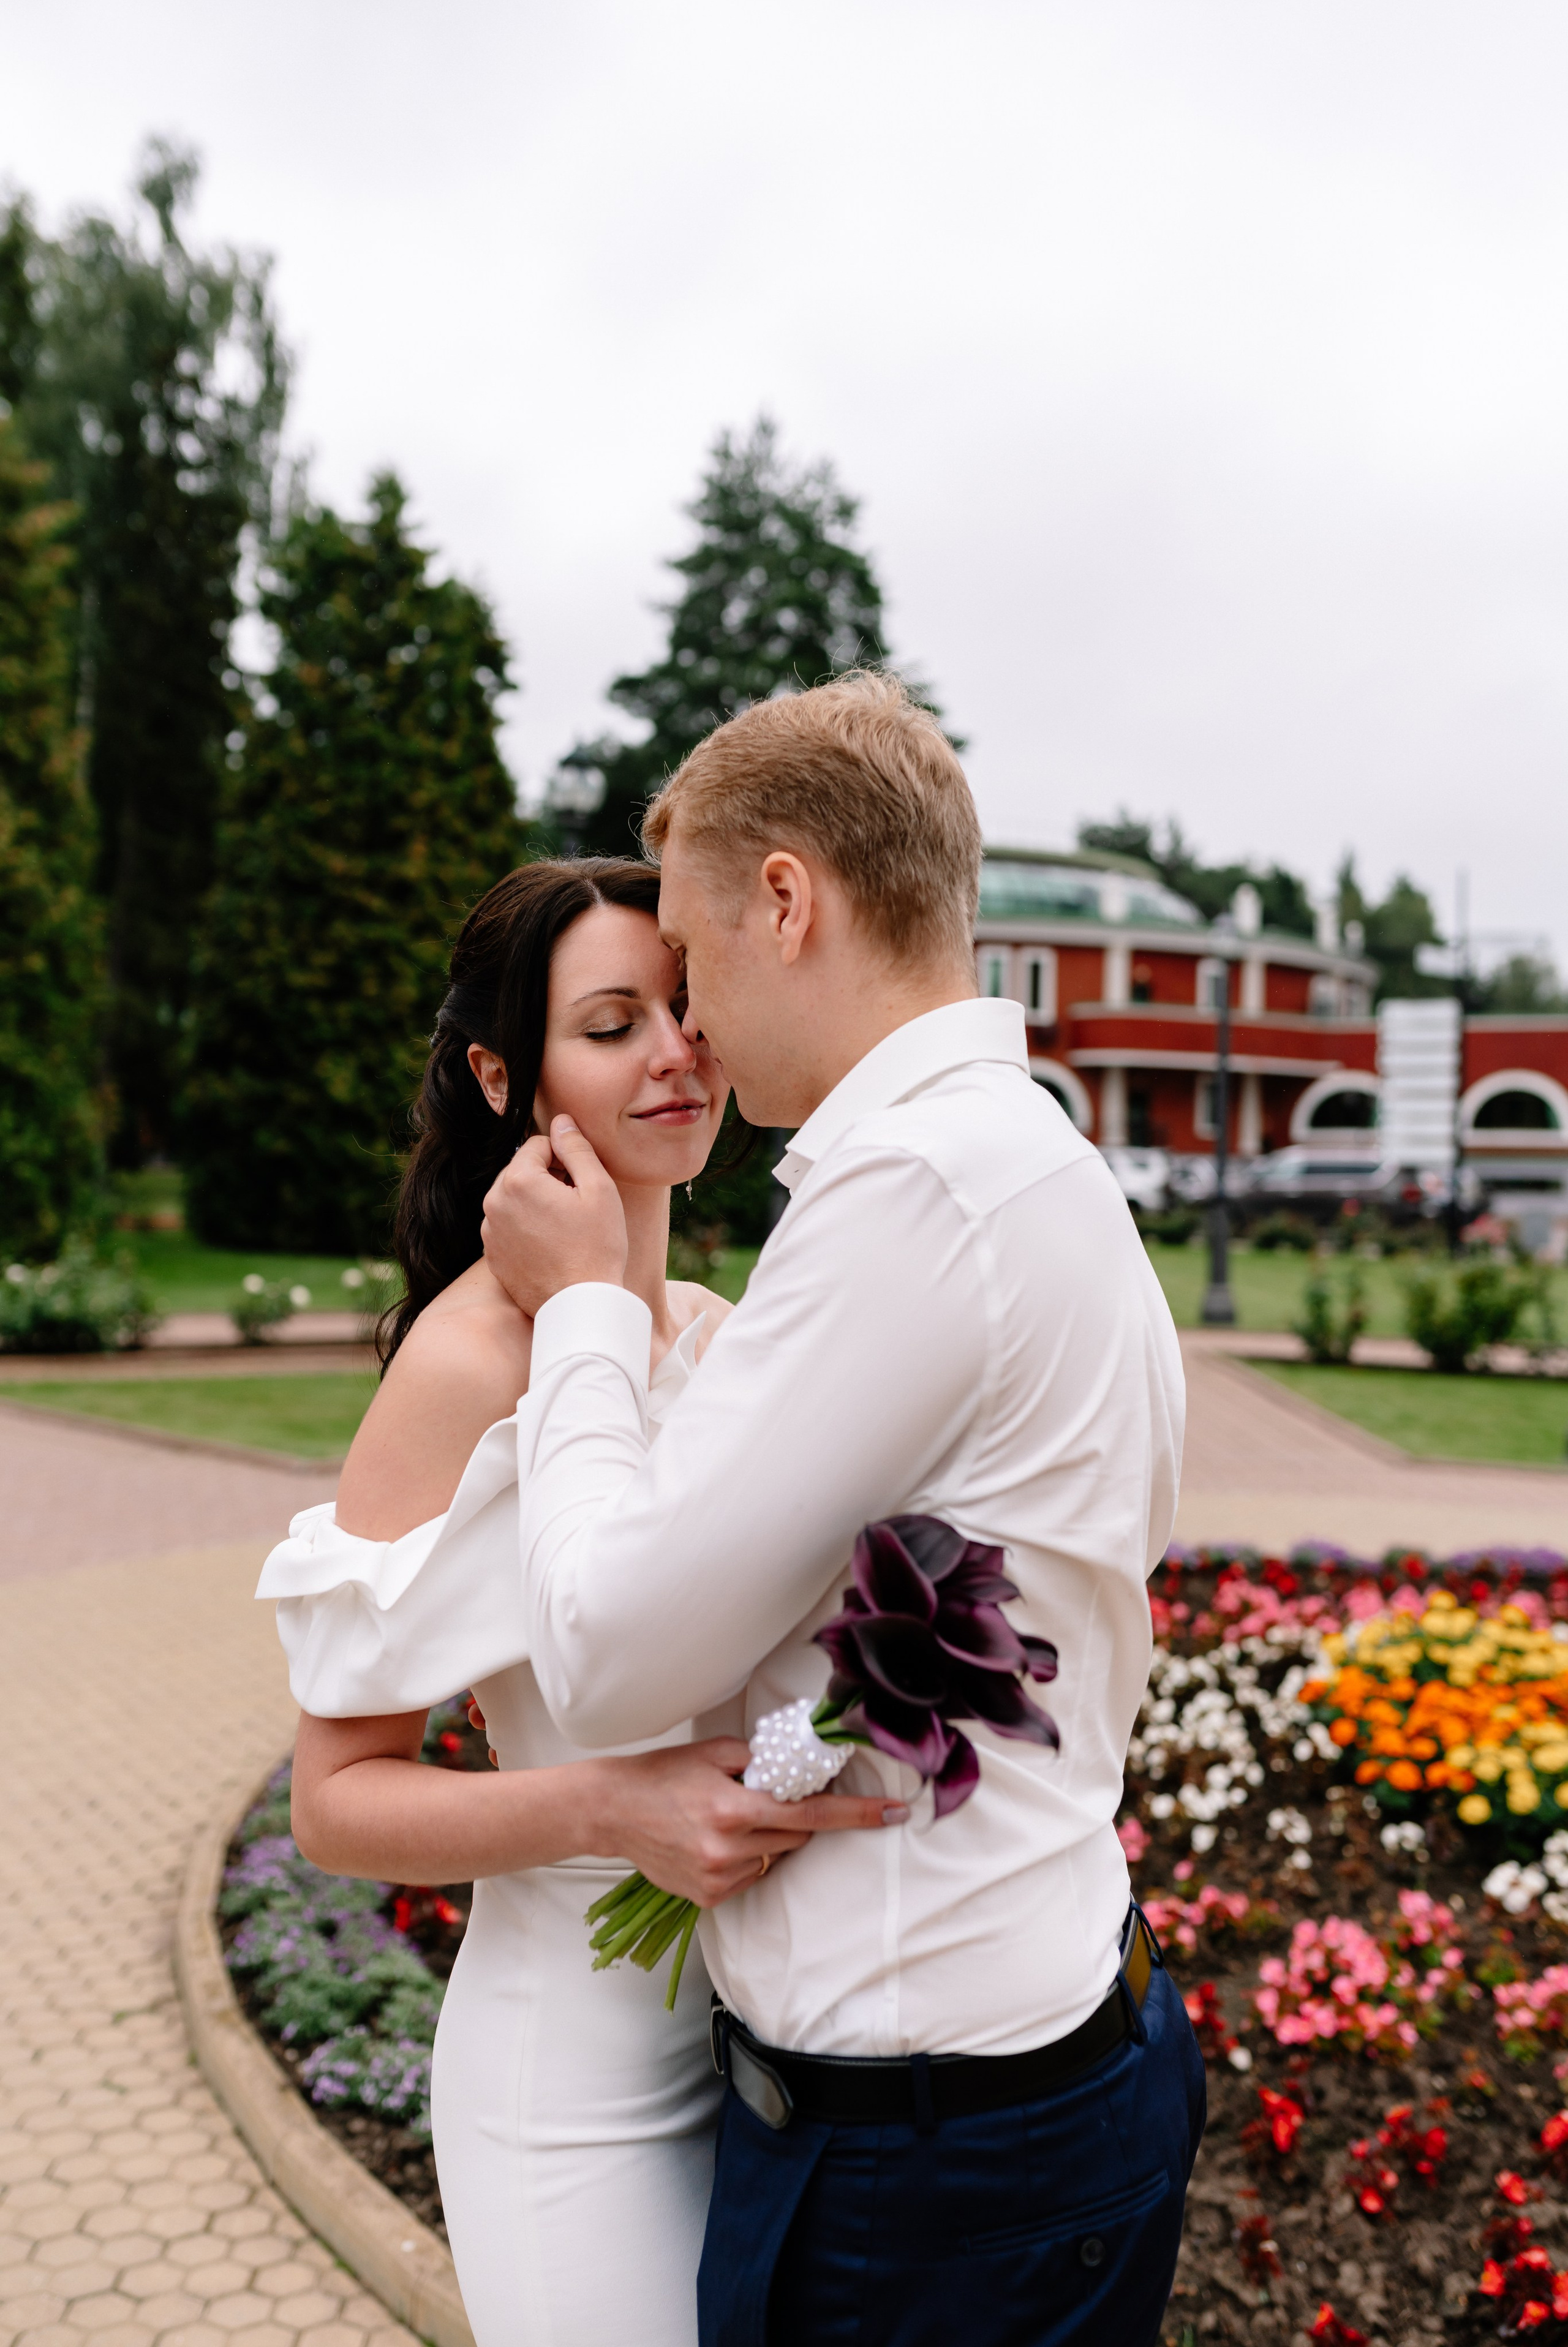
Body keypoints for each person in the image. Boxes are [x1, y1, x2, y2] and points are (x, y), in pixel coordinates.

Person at [478, 672, 1203, 2347]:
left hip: (933, 2165)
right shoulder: (1043, 1163)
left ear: (787, 898)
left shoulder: (916, 1188)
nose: (692, 1023)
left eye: (696, 953)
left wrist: (586, 1307)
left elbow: (604, 1651)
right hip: (1053, 2069)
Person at [254, 857, 900, 2347]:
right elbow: (335, 1799)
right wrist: (616, 1808)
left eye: (683, 1004)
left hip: (762, 2071)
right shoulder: (468, 1364)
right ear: (503, 1073)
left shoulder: (717, 1330)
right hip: (570, 2100)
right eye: (610, 1024)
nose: (673, 1051)